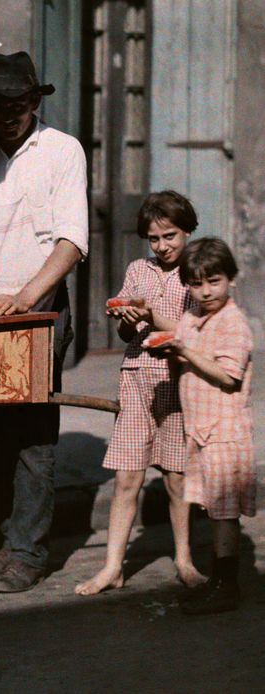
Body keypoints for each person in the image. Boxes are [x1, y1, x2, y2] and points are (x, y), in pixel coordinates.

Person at [0, 51, 89, 592]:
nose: (9, 114)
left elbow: (71, 242)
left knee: (34, 437)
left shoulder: (62, 151)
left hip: (40, 310)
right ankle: (9, 536)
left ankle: (29, 551)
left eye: (18, 104)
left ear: (36, 101)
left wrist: (26, 297)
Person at [75, 191, 204, 595]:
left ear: (187, 231)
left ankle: (184, 558)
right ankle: (113, 566)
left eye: (170, 236)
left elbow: (191, 333)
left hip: (179, 383)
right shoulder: (138, 270)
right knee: (127, 478)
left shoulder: (199, 273)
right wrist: (128, 318)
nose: (163, 246)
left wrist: (151, 316)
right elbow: (126, 332)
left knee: (177, 479)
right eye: (154, 239)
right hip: (136, 378)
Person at [168, 238, 255, 614]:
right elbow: (180, 336)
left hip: (224, 431)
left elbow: (228, 375)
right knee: (214, 508)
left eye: (213, 282)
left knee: (223, 512)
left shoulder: (233, 322)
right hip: (202, 429)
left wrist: (185, 352)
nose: (205, 292)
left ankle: (227, 584)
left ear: (231, 280)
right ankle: (220, 581)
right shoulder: (195, 314)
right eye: (196, 283)